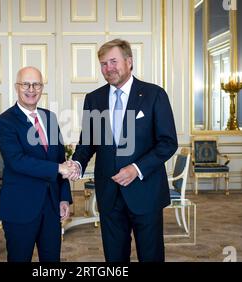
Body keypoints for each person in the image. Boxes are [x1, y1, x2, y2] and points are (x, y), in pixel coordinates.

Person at [68, 39, 178, 262]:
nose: (108, 68)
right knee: (114, 258)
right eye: (103, 64)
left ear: (129, 62)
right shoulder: (94, 99)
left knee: (151, 256)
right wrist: (77, 163)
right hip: (109, 194)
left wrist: (136, 169)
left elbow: (168, 142)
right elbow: (87, 142)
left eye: (113, 61)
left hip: (145, 192)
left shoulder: (154, 94)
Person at [0, 66, 75, 262]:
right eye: (26, 84)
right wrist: (58, 168)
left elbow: (59, 159)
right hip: (20, 207)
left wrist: (64, 198)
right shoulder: (4, 122)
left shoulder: (50, 117)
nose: (31, 89)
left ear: (42, 88)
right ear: (16, 87)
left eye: (36, 84)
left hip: (51, 205)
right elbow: (17, 161)